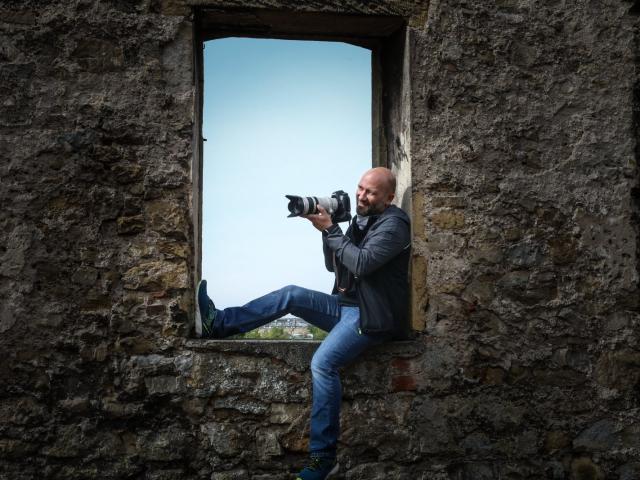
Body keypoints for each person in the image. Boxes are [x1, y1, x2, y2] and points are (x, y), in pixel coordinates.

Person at [195, 167, 411, 480]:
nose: (361, 196)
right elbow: (332, 264)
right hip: (346, 306)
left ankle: (323, 459)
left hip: (372, 316)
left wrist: (333, 232)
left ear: (389, 197)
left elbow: (363, 263)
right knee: (291, 294)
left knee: (323, 364)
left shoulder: (395, 224)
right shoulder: (361, 221)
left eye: (371, 192)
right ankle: (219, 324)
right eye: (360, 188)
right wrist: (329, 228)